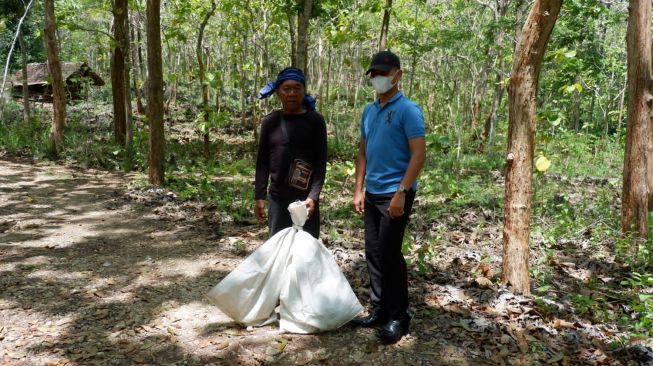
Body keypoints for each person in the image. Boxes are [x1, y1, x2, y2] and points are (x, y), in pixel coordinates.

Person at [351, 51, 426, 343]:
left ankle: (399, 317)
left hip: (395, 194)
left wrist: (402, 192)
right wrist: (359, 189)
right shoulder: (369, 111)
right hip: (372, 193)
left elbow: (418, 154)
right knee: (374, 252)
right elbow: (362, 151)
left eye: (385, 72)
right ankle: (379, 309)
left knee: (390, 254)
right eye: (375, 74)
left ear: (398, 74)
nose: (379, 78)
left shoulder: (408, 110)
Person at [255, 67, 327, 239]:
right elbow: (263, 161)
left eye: (297, 88)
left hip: (305, 201)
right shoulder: (270, 122)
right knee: (279, 249)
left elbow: (320, 161)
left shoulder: (316, 121)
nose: (292, 93)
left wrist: (313, 196)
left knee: (305, 252)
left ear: (303, 91)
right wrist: (259, 196)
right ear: (278, 92)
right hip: (277, 199)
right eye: (286, 89)